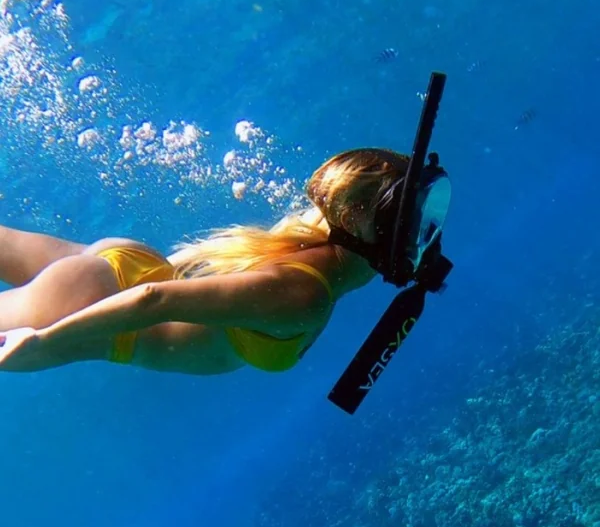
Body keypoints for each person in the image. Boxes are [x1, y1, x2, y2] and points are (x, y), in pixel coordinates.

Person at [0, 148, 409, 374]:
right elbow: (154, 299)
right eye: (412, 220)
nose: (425, 235)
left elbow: (353, 190)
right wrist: (45, 341)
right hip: (97, 308)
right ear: (359, 222)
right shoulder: (305, 294)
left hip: (121, 271)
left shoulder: (322, 238)